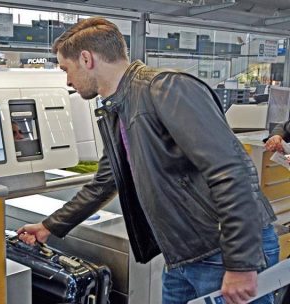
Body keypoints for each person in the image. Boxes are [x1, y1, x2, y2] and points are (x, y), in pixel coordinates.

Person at [17, 17, 279, 304]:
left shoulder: (164, 89)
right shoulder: (121, 107)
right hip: (183, 256)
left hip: (221, 251)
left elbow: (231, 170)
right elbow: (105, 182)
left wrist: (241, 263)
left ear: (86, 58)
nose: (67, 80)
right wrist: (49, 227)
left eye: (66, 69)